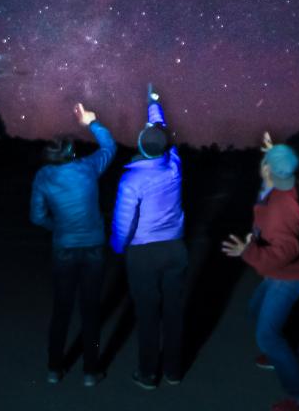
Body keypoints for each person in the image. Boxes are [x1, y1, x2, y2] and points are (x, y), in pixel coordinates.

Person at [221, 133, 299, 411]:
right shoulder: (282, 185)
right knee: (256, 310)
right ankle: (279, 352)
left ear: (267, 169)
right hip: (283, 274)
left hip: (288, 277)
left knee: (266, 335)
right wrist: (274, 151)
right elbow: (281, 167)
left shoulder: (281, 207)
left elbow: (282, 255)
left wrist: (247, 251)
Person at [30, 102, 117, 386]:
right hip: (92, 248)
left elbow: (37, 216)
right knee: (91, 311)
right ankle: (91, 372)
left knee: (62, 310)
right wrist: (92, 123)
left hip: (64, 250)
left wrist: (60, 229)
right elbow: (109, 148)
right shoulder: (87, 168)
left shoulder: (42, 177)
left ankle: (54, 368)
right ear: (71, 153)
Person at [111, 84, 185, 389]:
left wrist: (118, 247)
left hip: (144, 254)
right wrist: (154, 103)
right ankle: (174, 371)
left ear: (140, 146)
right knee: (173, 311)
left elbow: (123, 222)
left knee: (148, 314)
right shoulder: (175, 165)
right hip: (175, 249)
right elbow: (161, 129)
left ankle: (148, 373)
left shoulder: (131, 179)